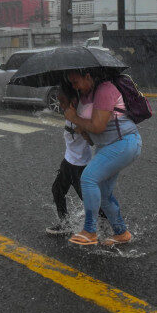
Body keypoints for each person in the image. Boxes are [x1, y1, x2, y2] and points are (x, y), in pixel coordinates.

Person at [63, 69, 142, 247]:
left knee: (88, 178)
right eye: (71, 83)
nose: (74, 86)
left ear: (88, 76)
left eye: (76, 81)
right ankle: (121, 232)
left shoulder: (105, 90)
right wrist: (83, 130)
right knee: (104, 193)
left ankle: (90, 231)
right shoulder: (85, 95)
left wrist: (75, 118)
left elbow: (98, 126)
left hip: (124, 142)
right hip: (107, 146)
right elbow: (93, 135)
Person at [45, 83, 105, 235]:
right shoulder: (68, 112)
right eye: (59, 101)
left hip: (81, 165)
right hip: (68, 161)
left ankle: (107, 223)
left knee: (88, 199)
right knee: (57, 190)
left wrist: (82, 130)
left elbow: (94, 140)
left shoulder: (83, 115)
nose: (60, 105)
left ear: (73, 101)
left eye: (62, 101)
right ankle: (64, 224)